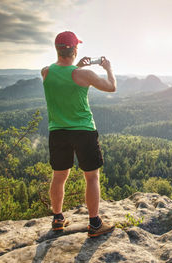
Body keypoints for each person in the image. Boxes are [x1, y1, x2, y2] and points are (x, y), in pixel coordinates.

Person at [41, 31, 116, 237]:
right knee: (91, 177)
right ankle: (94, 224)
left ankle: (57, 219)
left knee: (59, 176)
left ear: (57, 49)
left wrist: (78, 66)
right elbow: (111, 87)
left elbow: (65, 78)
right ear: (74, 49)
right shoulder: (85, 75)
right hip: (83, 131)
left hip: (57, 132)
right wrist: (108, 69)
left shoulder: (46, 72)